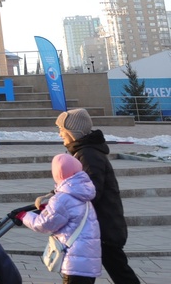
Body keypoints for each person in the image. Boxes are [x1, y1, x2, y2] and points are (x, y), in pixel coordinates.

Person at [54, 108, 141, 284]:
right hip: (99, 225)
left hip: (103, 227)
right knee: (109, 270)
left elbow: (90, 190)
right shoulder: (84, 152)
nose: (59, 133)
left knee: (118, 271)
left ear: (73, 132)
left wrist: (59, 201)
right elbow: (77, 186)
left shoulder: (88, 155)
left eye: (62, 129)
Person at [15, 153, 101, 284]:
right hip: (87, 259)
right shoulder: (83, 194)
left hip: (75, 262)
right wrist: (47, 208)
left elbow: (44, 224)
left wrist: (24, 216)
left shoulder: (63, 198)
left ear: (58, 174)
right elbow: (68, 214)